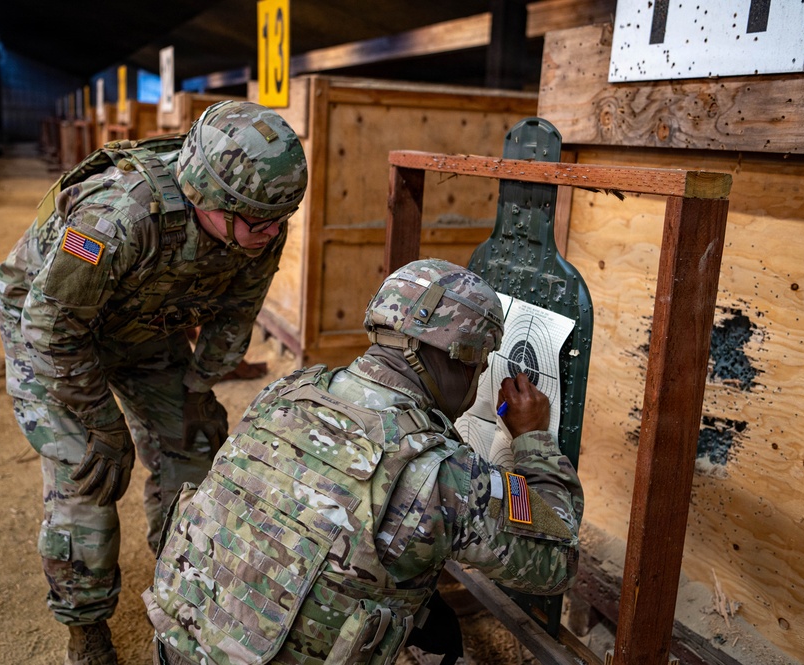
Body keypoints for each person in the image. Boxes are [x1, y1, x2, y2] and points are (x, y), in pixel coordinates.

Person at [143, 258, 584, 665]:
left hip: (178, 644)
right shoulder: (441, 474)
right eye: (483, 362)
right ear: (462, 360)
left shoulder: (288, 390)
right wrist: (534, 440)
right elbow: (556, 559)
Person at [0, 100, 308, 665]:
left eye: (279, 221)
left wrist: (196, 389)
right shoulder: (117, 216)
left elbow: (234, 315)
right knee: (87, 473)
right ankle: (85, 628)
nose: (269, 234)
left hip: (139, 322)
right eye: (257, 222)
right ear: (208, 196)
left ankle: (177, 581)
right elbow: (52, 325)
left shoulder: (261, 219)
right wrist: (103, 424)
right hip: (51, 327)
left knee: (195, 444)